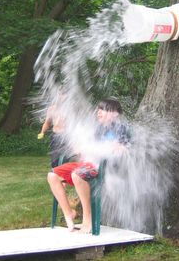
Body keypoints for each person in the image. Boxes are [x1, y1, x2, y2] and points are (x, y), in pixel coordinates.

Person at [47, 98, 130, 233]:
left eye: (103, 109)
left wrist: (111, 148)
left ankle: (88, 219)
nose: (99, 112)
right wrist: (79, 148)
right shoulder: (97, 129)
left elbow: (122, 150)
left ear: (115, 114)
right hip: (88, 164)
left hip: (105, 169)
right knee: (52, 176)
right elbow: (85, 147)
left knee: (78, 174)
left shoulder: (120, 128)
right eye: (98, 109)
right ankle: (69, 213)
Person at [38, 99, 66, 167]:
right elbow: (47, 123)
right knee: (54, 158)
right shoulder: (52, 109)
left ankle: (64, 174)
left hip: (66, 136)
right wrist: (42, 132)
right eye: (60, 95)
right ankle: (54, 172)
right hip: (55, 135)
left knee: (66, 158)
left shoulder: (70, 109)